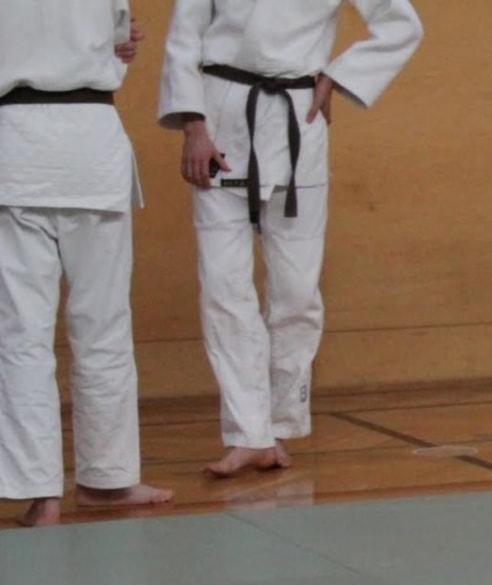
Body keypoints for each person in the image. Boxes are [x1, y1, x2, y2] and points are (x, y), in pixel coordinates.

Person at [157, 0, 423, 479]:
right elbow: (184, 36)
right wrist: (192, 124)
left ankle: (279, 422)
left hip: (297, 120)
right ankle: (248, 432)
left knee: (297, 290)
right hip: (222, 119)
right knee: (223, 286)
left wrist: (340, 75)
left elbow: (401, 24)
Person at [0, 2, 173, 528]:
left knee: (21, 333)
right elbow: (121, 40)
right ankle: (108, 476)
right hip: (92, 147)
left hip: (17, 149)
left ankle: (39, 492)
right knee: (104, 325)